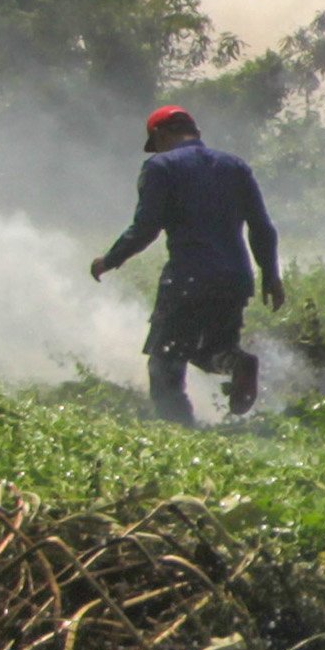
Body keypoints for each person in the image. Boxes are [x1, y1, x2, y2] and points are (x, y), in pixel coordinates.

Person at [88, 103, 283, 425]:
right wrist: (270, 275)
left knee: (166, 362)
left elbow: (146, 227)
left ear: (161, 134)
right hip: (235, 279)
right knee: (210, 351)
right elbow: (262, 226)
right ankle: (237, 363)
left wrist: (110, 260)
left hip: (188, 280)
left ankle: (179, 433)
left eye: (156, 143)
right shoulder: (235, 166)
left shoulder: (160, 167)